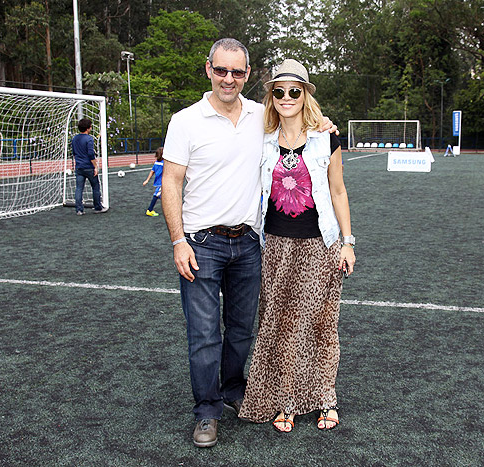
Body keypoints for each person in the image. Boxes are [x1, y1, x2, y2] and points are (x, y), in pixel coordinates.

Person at [161, 39, 336, 448]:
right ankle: (207, 411)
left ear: (248, 74)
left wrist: (324, 123)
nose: (228, 79)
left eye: (237, 72)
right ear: (208, 69)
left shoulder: (263, 115)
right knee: (204, 334)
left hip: (250, 244)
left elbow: (299, 121)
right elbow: (171, 181)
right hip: (201, 243)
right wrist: (177, 241)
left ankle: (234, 389)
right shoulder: (185, 121)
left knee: (240, 330)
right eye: (221, 70)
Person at [237, 59, 356, 433]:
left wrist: (348, 242)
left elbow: (338, 190)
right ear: (271, 96)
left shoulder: (327, 137)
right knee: (280, 323)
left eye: (294, 91)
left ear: (306, 95)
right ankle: (286, 400)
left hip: (321, 245)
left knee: (320, 324)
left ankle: (326, 399)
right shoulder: (262, 137)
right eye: (279, 91)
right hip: (275, 246)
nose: (286, 97)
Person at [72, 118, 107, 215]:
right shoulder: (89, 139)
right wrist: (95, 166)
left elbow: (74, 153)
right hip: (88, 167)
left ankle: (79, 209)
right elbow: (91, 154)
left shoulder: (75, 138)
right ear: (88, 128)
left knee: (79, 188)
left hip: (79, 167)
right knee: (95, 187)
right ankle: (98, 207)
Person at [142, 147, 164, 217]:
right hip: (161, 183)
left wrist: (147, 180)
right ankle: (150, 210)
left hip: (159, 182)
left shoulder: (156, 163)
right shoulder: (164, 164)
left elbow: (152, 171)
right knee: (156, 195)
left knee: (164, 196)